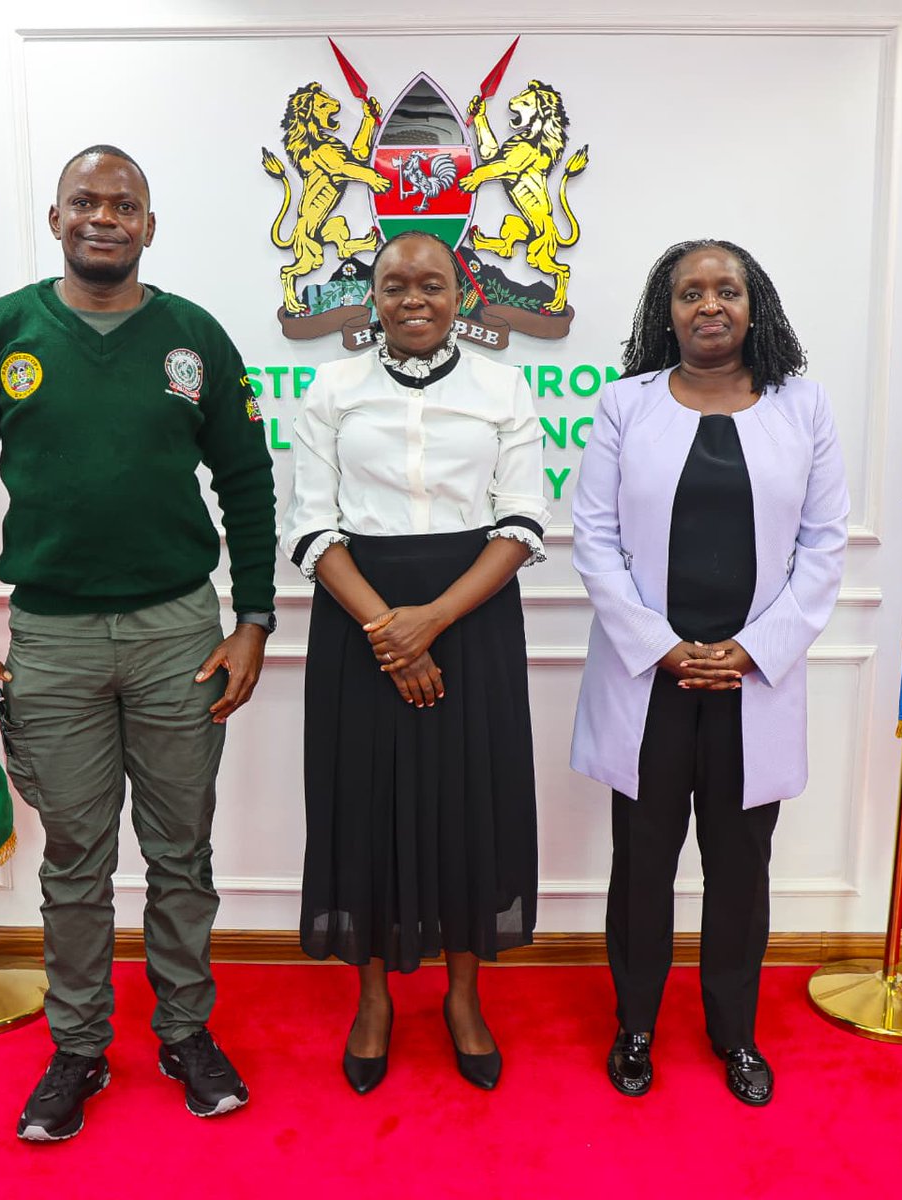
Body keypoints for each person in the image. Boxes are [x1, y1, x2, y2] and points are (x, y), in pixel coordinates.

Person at [0, 146, 277, 1140]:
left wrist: (253, 620)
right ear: (56, 215)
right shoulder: (1, 335)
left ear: (149, 224)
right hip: (53, 637)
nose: (104, 216)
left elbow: (245, 481)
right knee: (74, 858)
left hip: (178, 633)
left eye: (124, 204)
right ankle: (79, 1049)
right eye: (86, 201)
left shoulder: (193, 336)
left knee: (181, 852)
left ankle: (185, 1034)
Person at [570, 239, 848, 1106]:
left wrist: (752, 650)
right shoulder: (625, 406)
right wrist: (660, 644)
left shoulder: (803, 408)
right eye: (690, 293)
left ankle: (735, 1034)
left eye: (727, 290)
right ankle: (637, 1028)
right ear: (670, 311)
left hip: (749, 684)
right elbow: (595, 539)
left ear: (753, 306)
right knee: (642, 867)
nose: (710, 305)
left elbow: (825, 545)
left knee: (740, 870)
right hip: (649, 682)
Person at [281, 230, 549, 1093]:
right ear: (374, 298)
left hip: (471, 614)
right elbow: (311, 526)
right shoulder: (331, 389)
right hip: (358, 618)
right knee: (363, 804)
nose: (413, 301)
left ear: (460, 293)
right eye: (395, 286)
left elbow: (522, 521)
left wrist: (428, 623)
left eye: (432, 285)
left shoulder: (505, 388)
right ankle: (373, 998)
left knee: (473, 804)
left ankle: (464, 997)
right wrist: (389, 633)